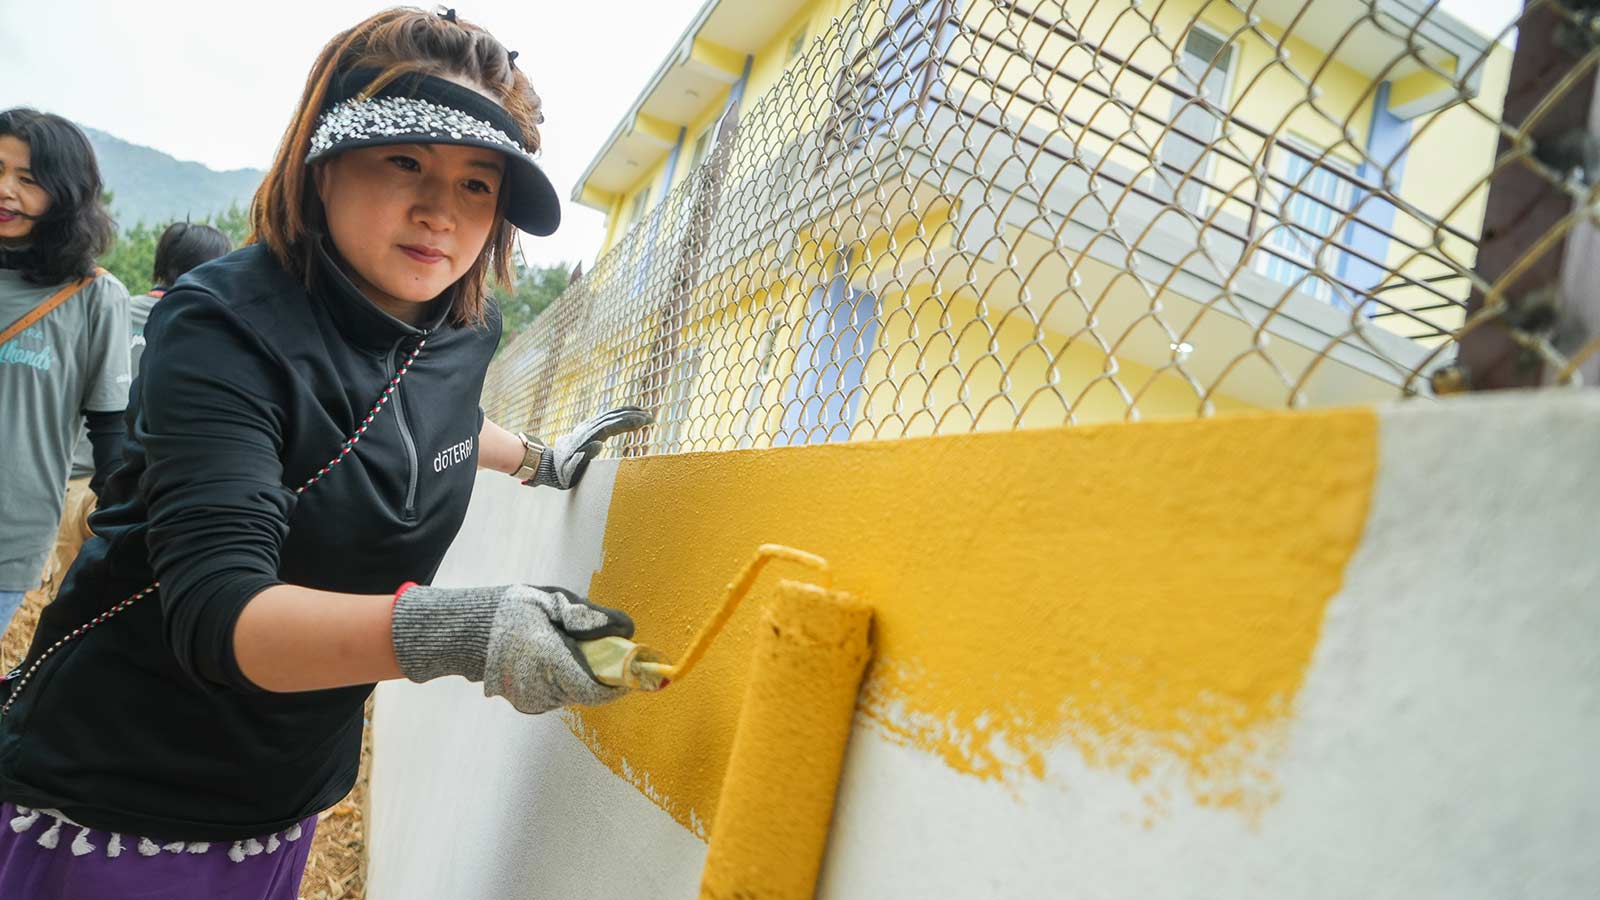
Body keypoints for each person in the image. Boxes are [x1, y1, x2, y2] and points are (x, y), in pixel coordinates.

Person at [0, 8, 651, 897]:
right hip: (125, 793)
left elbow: (436, 425)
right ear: (324, 161)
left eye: (477, 184)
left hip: (291, 785)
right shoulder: (223, 325)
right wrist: (465, 630)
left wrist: (541, 460)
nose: (440, 212)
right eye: (406, 162)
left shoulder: (462, 325)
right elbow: (223, 614)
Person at [39, 223, 233, 613]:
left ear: (162, 265)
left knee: (58, 605)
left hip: (68, 480)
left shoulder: (112, 309)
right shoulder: (209, 328)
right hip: (137, 490)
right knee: (112, 607)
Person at [0, 108, 131, 636]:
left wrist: (119, 537)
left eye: (27, 180)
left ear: (66, 193)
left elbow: (110, 433)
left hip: (8, 538)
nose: (5, 190)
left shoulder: (94, 297)